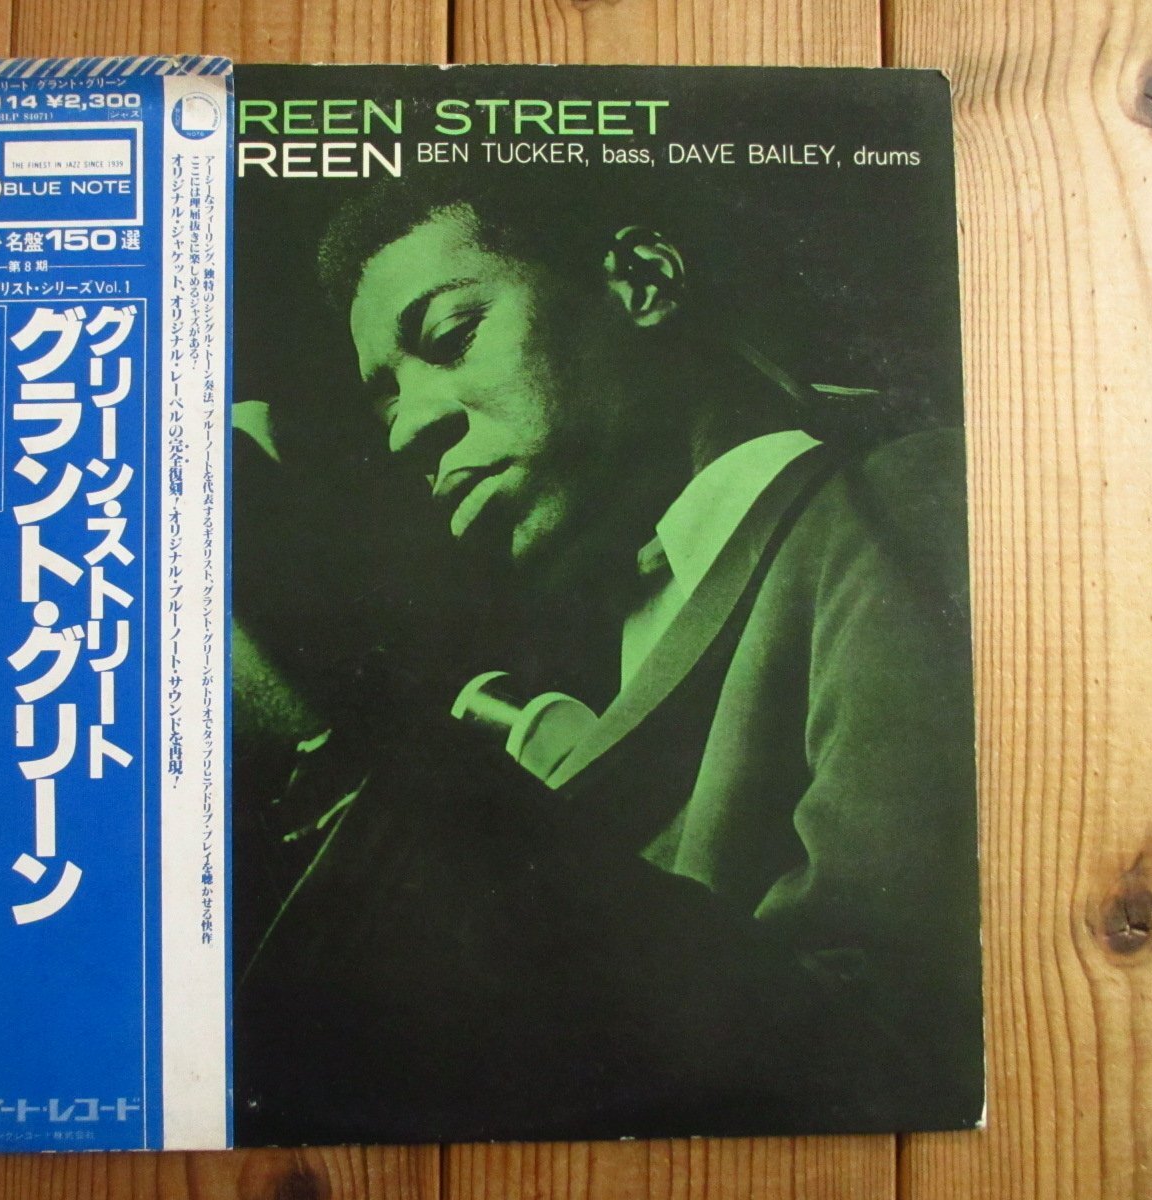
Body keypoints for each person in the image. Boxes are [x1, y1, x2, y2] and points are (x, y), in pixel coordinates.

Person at [233, 171, 983, 1146]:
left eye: (450, 336)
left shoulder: (906, 503)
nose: (412, 427)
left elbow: (889, 1046)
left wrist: (339, 735)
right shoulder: (603, 646)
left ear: (641, 281)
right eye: (387, 403)